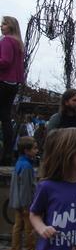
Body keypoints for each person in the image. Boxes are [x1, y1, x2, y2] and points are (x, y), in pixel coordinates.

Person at [0, 16, 25, 165]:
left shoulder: (7, 40)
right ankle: (7, 153)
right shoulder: (19, 43)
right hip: (13, 83)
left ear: (11, 26)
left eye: (4, 24)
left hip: (2, 80)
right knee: (5, 117)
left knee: (4, 117)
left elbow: (5, 61)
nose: (1, 26)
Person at [9, 136, 38, 250]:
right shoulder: (26, 166)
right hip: (26, 202)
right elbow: (26, 187)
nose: (37, 150)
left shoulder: (19, 163)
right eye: (34, 148)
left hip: (17, 200)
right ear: (26, 150)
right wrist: (28, 204)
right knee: (29, 227)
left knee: (17, 226)